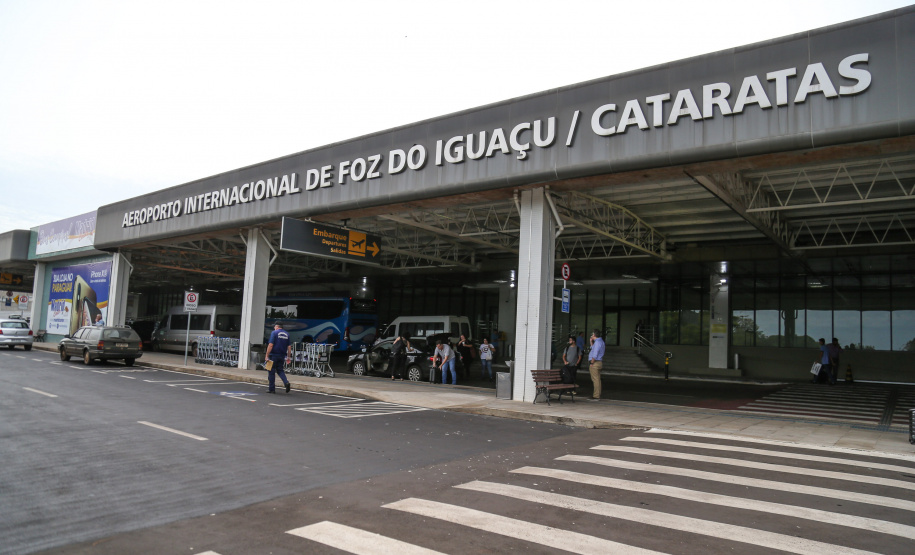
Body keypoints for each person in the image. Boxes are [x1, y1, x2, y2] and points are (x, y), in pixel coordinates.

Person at [264, 322, 292, 393]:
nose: (274, 328)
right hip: (282, 355)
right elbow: (289, 347)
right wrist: (288, 357)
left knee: (271, 371)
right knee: (280, 370)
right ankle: (286, 382)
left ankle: (272, 389)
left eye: (274, 327)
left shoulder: (274, 333)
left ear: (277, 327)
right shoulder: (287, 334)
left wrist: (267, 355)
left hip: (273, 355)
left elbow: (270, 345)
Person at [588, 329, 605, 400]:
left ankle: (596, 396)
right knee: (597, 379)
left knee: (595, 379)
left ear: (594, 335)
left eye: (592, 334)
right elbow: (593, 349)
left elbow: (595, 354)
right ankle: (597, 394)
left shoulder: (597, 342)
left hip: (595, 362)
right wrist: (591, 342)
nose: (591, 335)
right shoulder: (600, 341)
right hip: (598, 362)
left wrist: (592, 362)